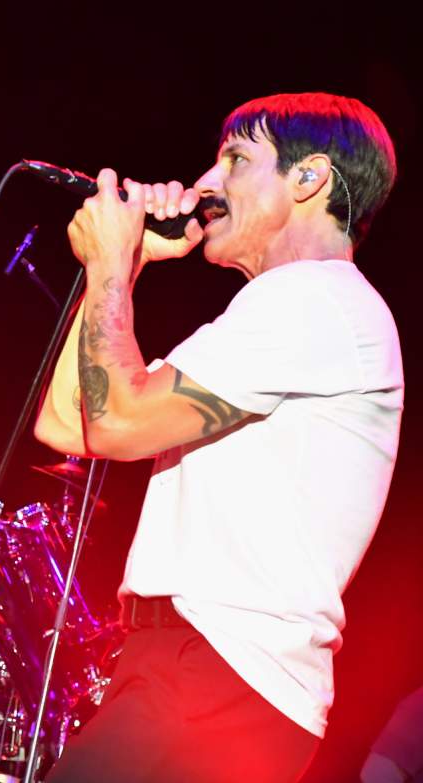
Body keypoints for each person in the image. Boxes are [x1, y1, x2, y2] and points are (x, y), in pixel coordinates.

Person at [34, 93, 402, 782]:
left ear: (308, 178)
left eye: (235, 159)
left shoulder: (316, 301)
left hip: (219, 669)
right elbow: (68, 424)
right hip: (201, 672)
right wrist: (118, 268)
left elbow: (114, 421)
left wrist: (112, 261)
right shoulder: (288, 312)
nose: (206, 183)